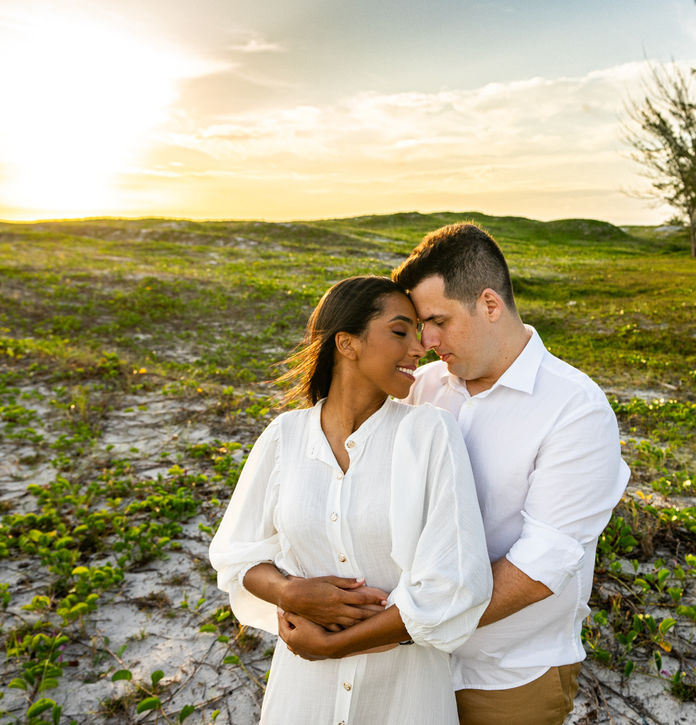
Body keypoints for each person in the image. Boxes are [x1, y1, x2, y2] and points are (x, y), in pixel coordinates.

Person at [208, 275, 493, 725]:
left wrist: (333, 645)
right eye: (401, 332)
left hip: (405, 696)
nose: (420, 349)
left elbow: (457, 584)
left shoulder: (429, 433)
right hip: (303, 698)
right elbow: (236, 558)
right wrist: (290, 591)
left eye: (419, 334)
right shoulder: (284, 436)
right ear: (347, 343)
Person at [392, 223, 630, 725]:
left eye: (437, 320)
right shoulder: (427, 385)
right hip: (414, 665)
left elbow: (539, 568)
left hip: (508, 675)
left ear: (490, 304)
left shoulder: (575, 408)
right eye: (419, 324)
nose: (427, 341)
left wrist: (404, 623)